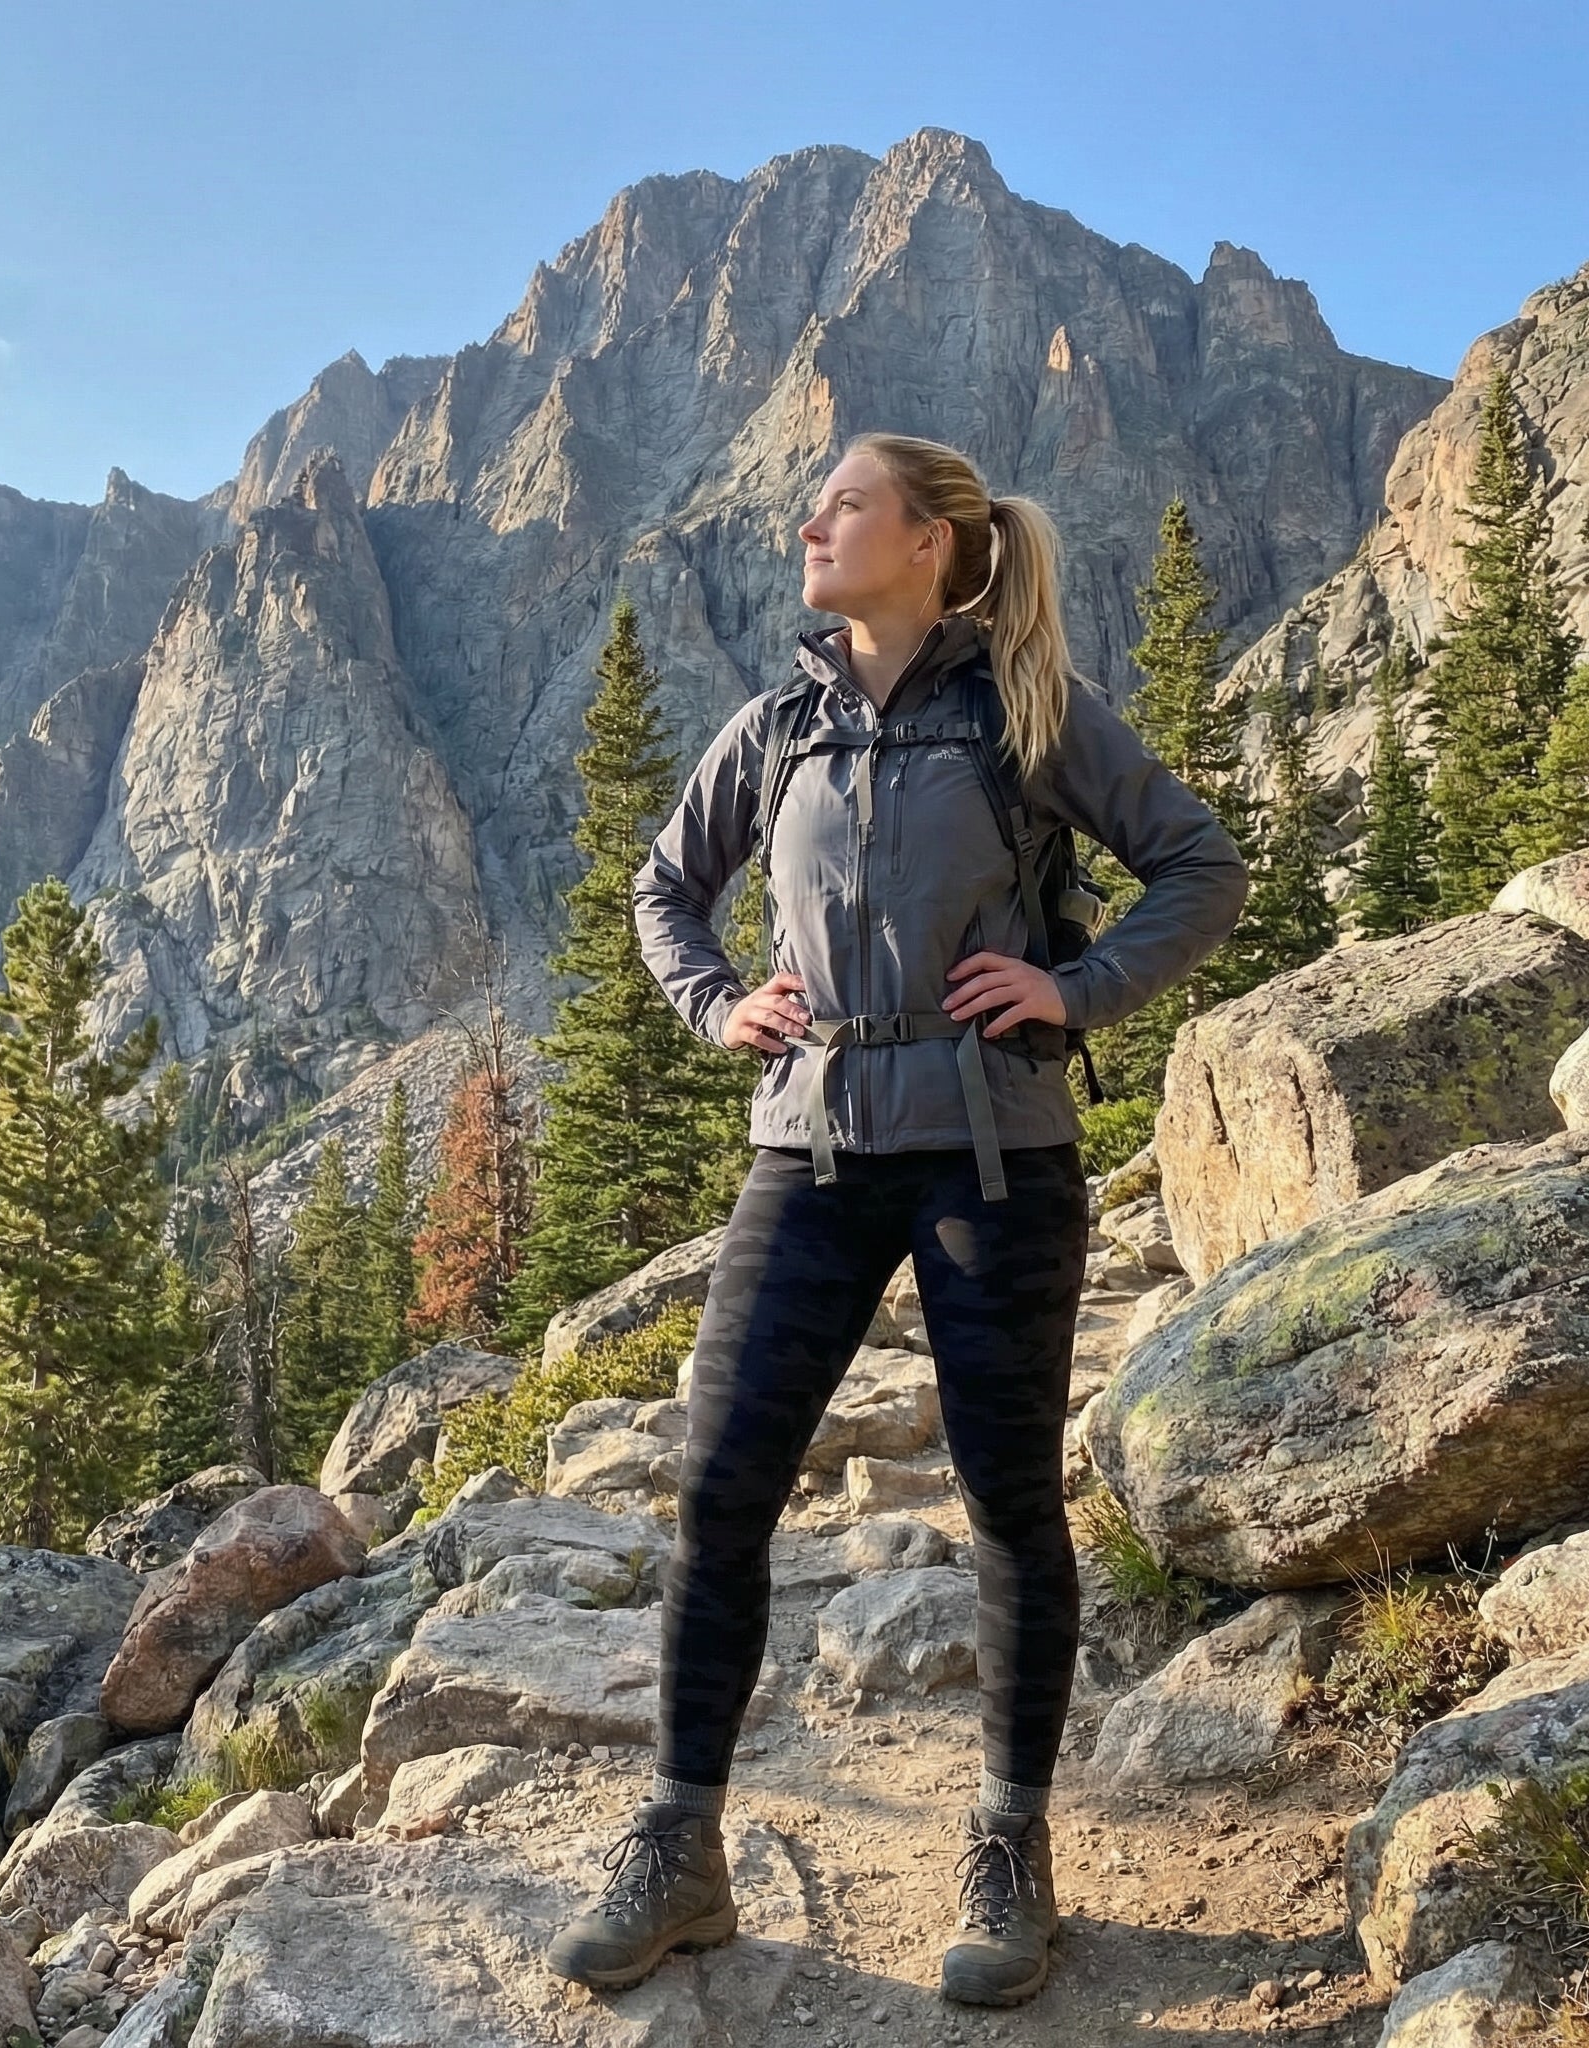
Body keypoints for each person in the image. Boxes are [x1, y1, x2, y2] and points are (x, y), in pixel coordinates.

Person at [542, 432, 1251, 2005]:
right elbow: (665, 887)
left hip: (993, 1151)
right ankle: (683, 1844)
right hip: (808, 1150)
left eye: (846, 502)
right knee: (722, 1482)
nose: (812, 522)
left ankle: (1010, 1851)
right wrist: (717, 1002)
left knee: (1009, 1501)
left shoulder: (1021, 712)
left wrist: (1076, 986)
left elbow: (1200, 862)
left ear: (931, 541)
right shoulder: (780, 722)